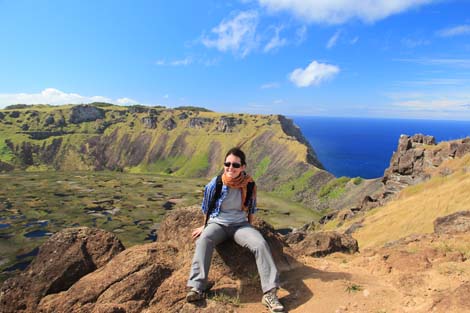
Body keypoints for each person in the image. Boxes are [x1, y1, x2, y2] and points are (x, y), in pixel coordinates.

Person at [186, 147, 285, 313]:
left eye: (235, 165)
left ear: (243, 167)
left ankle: (270, 293)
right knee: (203, 240)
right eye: (227, 164)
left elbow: (251, 208)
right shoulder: (215, 184)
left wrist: (250, 228)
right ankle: (197, 287)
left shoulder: (250, 184)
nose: (230, 168)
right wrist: (205, 226)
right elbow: (207, 207)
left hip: (240, 225)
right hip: (217, 224)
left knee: (260, 244)